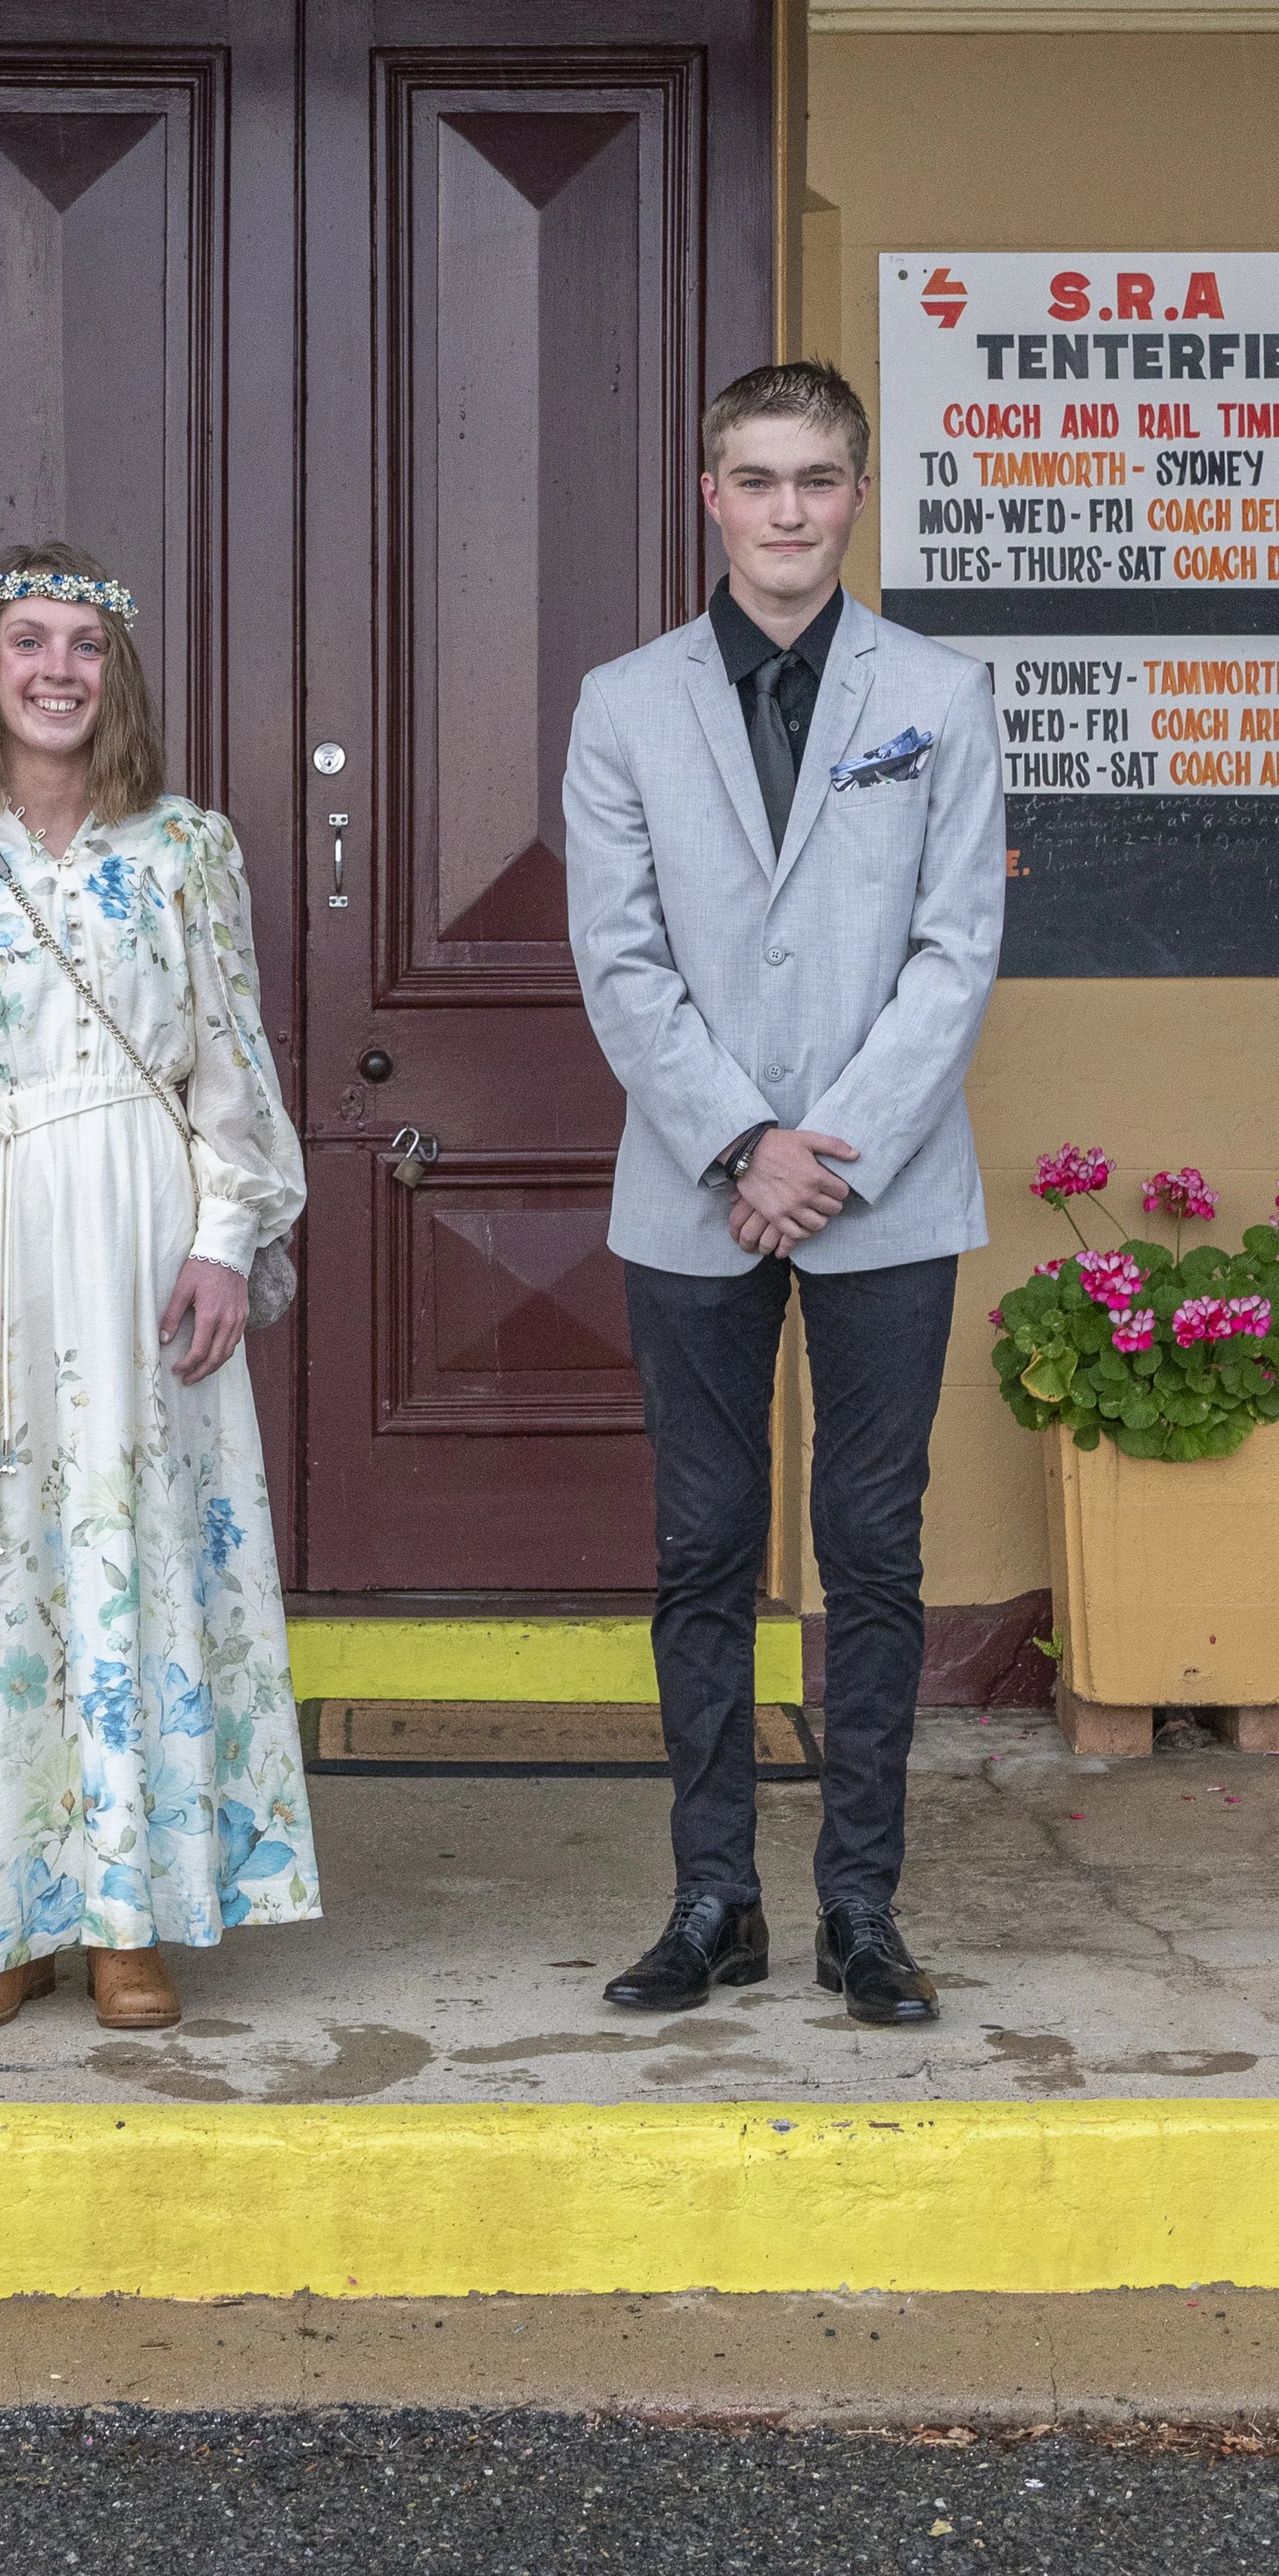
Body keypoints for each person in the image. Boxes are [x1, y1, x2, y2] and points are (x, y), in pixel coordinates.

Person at [0, 538, 320, 2035]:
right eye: (27, 643)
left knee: (136, 1546)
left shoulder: (185, 849)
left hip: (133, 1219)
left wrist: (223, 1234)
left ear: (117, 675)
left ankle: (128, 1910)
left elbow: (229, 1058)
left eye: (83, 647)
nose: (55, 671)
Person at [563, 362, 1004, 2027]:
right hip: (692, 1194)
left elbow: (955, 946)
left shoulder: (937, 695)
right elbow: (616, 953)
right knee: (698, 1541)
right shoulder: (623, 700)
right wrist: (740, 1142)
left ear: (857, 489)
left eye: (816, 478)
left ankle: (861, 1911)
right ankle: (710, 1897)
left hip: (884, 1193)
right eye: (755, 479)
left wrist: (828, 1148)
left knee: (869, 1545)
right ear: (709, 497)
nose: (788, 510)